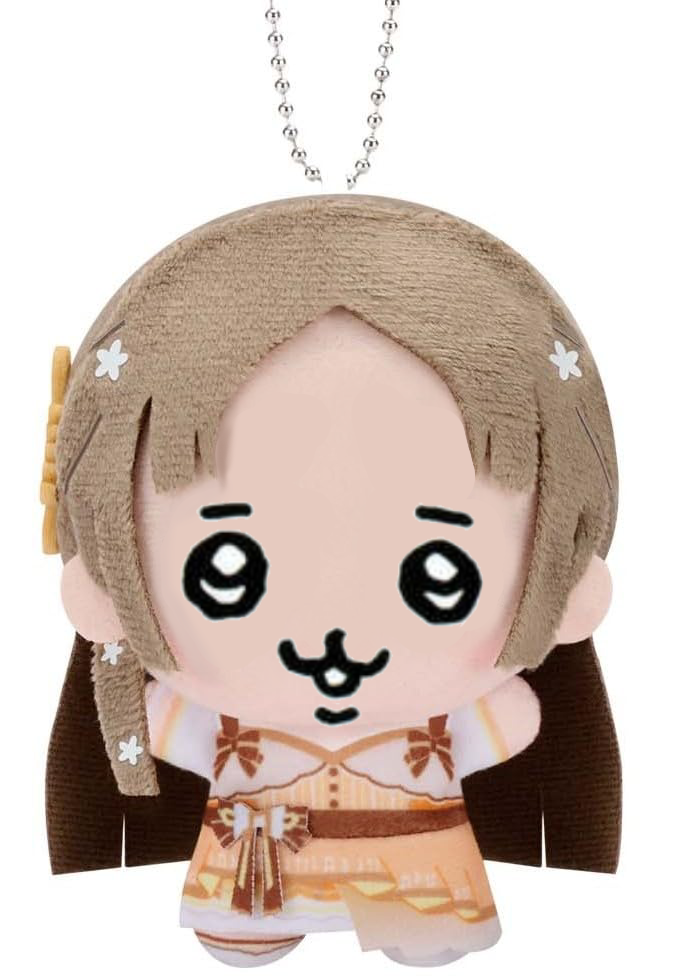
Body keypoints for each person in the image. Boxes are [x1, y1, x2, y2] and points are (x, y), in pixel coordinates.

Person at [44, 195, 621, 967]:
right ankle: (270, 924)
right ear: (105, 584)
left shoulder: (254, 733)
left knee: (417, 915)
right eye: (227, 569)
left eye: (438, 573)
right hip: (260, 873)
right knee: (267, 915)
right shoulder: (414, 734)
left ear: (568, 585)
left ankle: (408, 924)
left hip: (405, 869)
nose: (333, 640)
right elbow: (509, 720)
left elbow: (161, 724)